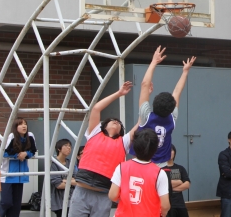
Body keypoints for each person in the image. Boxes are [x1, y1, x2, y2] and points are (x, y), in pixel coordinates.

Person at [69, 81, 135, 217]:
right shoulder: (94, 133)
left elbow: (140, 124)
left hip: (104, 194)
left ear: (121, 131)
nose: (116, 122)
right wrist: (119, 93)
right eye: (112, 120)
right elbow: (96, 108)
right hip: (82, 191)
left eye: (119, 123)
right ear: (104, 125)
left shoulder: (123, 142)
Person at [130, 46, 196, 167]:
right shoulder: (172, 118)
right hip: (161, 164)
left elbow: (145, 84)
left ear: (153, 104)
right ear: (172, 108)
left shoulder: (146, 116)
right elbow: (177, 92)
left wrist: (154, 62)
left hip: (142, 162)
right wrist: (185, 72)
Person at [109, 128, 170, 217]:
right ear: (155, 149)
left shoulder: (121, 167)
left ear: (134, 146)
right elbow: (165, 205)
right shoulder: (159, 173)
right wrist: (163, 213)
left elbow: (112, 196)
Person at [0, 117, 37, 217]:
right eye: (20, 124)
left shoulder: (30, 136)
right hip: (7, 175)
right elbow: (3, 152)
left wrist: (26, 153)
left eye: (25, 124)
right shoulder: (11, 136)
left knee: (16, 206)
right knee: (6, 202)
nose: (24, 126)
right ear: (15, 127)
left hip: (20, 175)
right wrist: (17, 155)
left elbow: (33, 151)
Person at [50, 139, 77, 217]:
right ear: (59, 149)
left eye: (70, 146)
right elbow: (59, 185)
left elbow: (77, 181)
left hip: (72, 198)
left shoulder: (70, 163)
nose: (69, 148)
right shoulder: (53, 163)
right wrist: (71, 181)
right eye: (66, 145)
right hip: (59, 200)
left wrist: (64, 180)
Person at [167, 144, 191, 217]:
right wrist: (179, 182)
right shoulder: (161, 169)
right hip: (168, 205)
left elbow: (187, 184)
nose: (170, 152)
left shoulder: (180, 168)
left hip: (180, 204)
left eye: (171, 150)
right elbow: (161, 185)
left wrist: (169, 188)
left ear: (174, 152)